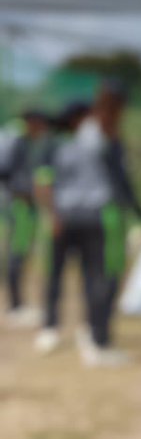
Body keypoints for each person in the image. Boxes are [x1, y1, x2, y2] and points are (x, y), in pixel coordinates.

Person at [37, 83, 141, 365]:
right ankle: (94, 339)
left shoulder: (84, 139)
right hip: (94, 216)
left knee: (93, 278)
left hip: (82, 217)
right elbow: (119, 180)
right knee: (100, 277)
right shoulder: (96, 136)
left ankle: (91, 333)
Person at [1, 109, 53, 327]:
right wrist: (22, 190)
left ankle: (18, 305)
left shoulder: (22, 141)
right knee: (17, 252)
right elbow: (5, 170)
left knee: (21, 253)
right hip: (20, 205)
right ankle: (16, 306)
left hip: (24, 204)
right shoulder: (16, 140)